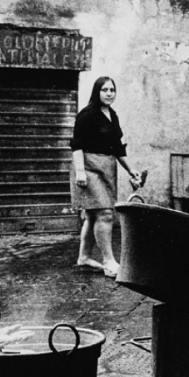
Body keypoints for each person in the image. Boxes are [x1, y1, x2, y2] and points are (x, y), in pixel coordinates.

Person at [71, 76, 144, 278]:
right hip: (88, 167)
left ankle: (84, 258)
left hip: (107, 167)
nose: (109, 93)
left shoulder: (112, 115)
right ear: (97, 92)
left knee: (94, 214)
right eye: (105, 90)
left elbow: (117, 148)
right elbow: (76, 145)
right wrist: (80, 172)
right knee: (105, 214)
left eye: (112, 90)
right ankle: (109, 262)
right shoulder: (86, 115)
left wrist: (131, 170)